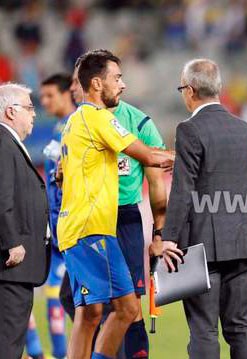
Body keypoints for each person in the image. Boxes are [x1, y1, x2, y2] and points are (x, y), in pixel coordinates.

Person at [57, 50, 173, 359]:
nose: (122, 85)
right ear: (97, 83)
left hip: (77, 229)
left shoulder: (75, 121)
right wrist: (192, 156)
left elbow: (62, 174)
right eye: (117, 78)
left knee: (90, 314)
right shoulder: (98, 118)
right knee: (126, 307)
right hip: (92, 229)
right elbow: (149, 157)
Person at [161, 58, 247, 359]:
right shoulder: (246, 132)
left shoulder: (189, 129)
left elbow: (183, 189)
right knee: (241, 326)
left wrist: (168, 237)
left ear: (190, 90)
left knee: (203, 328)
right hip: (244, 241)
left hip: (203, 244)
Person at [24, 73, 75, 359]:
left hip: (72, 230)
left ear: (68, 93)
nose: (43, 102)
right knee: (51, 300)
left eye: (49, 96)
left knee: (62, 301)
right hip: (54, 231)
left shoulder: (77, 126)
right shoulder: (58, 129)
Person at [0, 83, 50, 359]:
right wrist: (12, 242)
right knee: (9, 343)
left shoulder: (9, 143)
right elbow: (1, 196)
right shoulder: (3, 143)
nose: (34, 114)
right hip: (12, 265)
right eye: (29, 108)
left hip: (15, 266)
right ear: (10, 111)